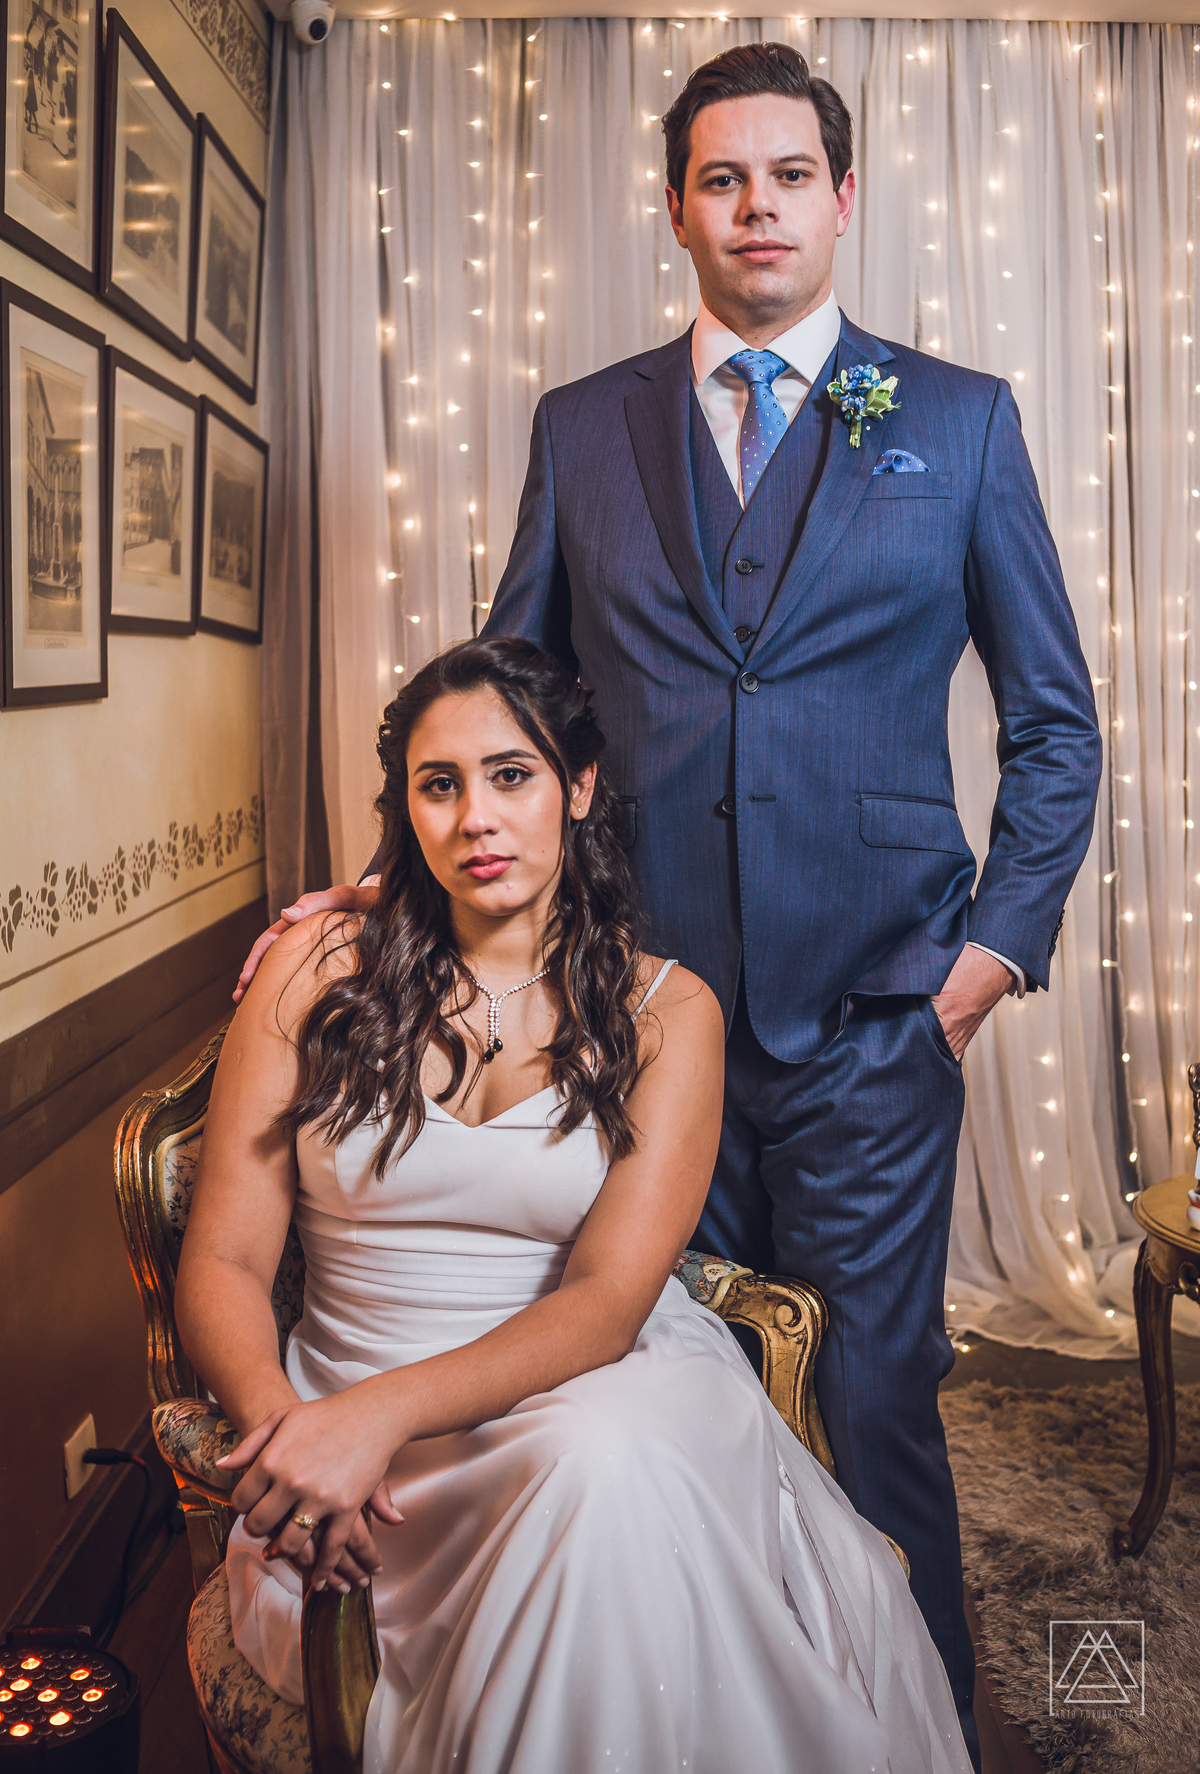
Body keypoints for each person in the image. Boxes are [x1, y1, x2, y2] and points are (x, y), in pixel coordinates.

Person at [237, 44, 1102, 1767]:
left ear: (841, 200)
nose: (756, 207)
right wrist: (393, 869)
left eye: (788, 176)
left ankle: (918, 1722)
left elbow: (1057, 724)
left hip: (874, 1020)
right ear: (677, 207)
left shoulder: (959, 419)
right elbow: (508, 697)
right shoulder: (586, 425)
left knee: (871, 1404)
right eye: (722, 178)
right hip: (613, 1027)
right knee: (647, 1402)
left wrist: (981, 964)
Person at [181, 639, 972, 1774]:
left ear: (580, 785)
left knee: (603, 1468)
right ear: (406, 809)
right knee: (598, 1481)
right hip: (343, 1441)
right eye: (439, 784)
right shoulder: (314, 969)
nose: (476, 819)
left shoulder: (670, 1013)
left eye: (512, 775)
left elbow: (606, 1304)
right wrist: (292, 1439)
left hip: (584, 1389)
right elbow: (222, 1260)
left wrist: (381, 1416)